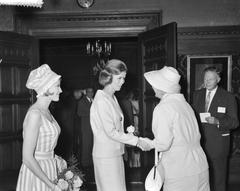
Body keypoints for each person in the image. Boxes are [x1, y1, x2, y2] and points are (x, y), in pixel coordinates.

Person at [144, 66, 210, 191]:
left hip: (179, 169)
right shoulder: (186, 105)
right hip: (200, 165)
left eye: (153, 84)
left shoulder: (162, 108)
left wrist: (148, 144)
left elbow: (163, 144)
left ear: (160, 86)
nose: (152, 87)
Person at [90, 59, 152, 191]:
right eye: (119, 78)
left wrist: (129, 136)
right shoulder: (102, 100)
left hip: (115, 153)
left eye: (123, 78)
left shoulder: (112, 97)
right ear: (108, 78)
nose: (123, 81)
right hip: (106, 156)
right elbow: (111, 132)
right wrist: (137, 141)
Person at [16, 64, 62, 191]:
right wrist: (51, 185)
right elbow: (27, 158)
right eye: (57, 86)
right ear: (45, 87)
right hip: (36, 174)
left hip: (50, 168)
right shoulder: (35, 114)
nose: (61, 90)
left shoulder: (46, 111)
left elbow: (45, 145)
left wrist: (58, 160)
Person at [192, 66, 239, 191]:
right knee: (201, 179)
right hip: (199, 144)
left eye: (211, 79)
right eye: (205, 79)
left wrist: (218, 121)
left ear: (218, 79)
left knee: (218, 179)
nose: (207, 82)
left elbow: (234, 122)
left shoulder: (228, 97)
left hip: (219, 145)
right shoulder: (197, 95)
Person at [77, 87, 94, 168]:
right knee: (86, 145)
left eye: (92, 92)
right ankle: (85, 163)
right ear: (86, 93)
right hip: (86, 127)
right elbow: (79, 113)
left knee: (92, 145)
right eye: (89, 92)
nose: (91, 93)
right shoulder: (82, 101)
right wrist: (91, 113)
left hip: (94, 127)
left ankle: (91, 162)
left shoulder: (94, 100)